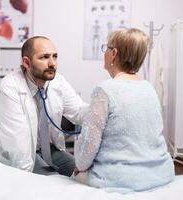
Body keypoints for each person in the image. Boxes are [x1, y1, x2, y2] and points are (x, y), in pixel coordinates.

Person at [73, 28, 175, 193]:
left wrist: (79, 166)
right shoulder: (149, 88)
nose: (104, 52)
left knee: (74, 175)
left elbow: (87, 150)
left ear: (113, 53)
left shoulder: (104, 90)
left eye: (105, 48)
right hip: (160, 173)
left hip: (120, 178)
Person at [0, 36, 89, 177]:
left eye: (55, 57)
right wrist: (30, 181)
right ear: (26, 62)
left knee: (85, 176)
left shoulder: (58, 82)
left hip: (49, 150)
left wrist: (104, 107)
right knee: (55, 182)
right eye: (44, 57)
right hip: (22, 154)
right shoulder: (9, 88)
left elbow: (79, 112)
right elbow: (19, 150)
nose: (52, 63)